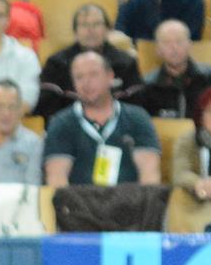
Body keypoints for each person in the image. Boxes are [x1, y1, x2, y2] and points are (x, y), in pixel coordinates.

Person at [42, 51, 163, 186]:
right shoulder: (61, 123)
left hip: (129, 198)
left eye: (93, 74)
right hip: (79, 199)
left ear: (110, 76)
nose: (86, 82)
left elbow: (149, 176)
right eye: (79, 77)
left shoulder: (137, 118)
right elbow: (57, 179)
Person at [38, 3, 138, 118]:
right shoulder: (56, 64)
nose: (90, 30)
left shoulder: (126, 63)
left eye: (96, 24)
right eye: (84, 25)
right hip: (69, 124)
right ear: (75, 32)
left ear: (107, 30)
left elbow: (136, 106)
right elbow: (48, 107)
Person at [131, 18, 211, 117]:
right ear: (158, 50)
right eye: (166, 43)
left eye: (179, 41)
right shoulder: (147, 86)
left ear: (189, 45)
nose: (174, 48)